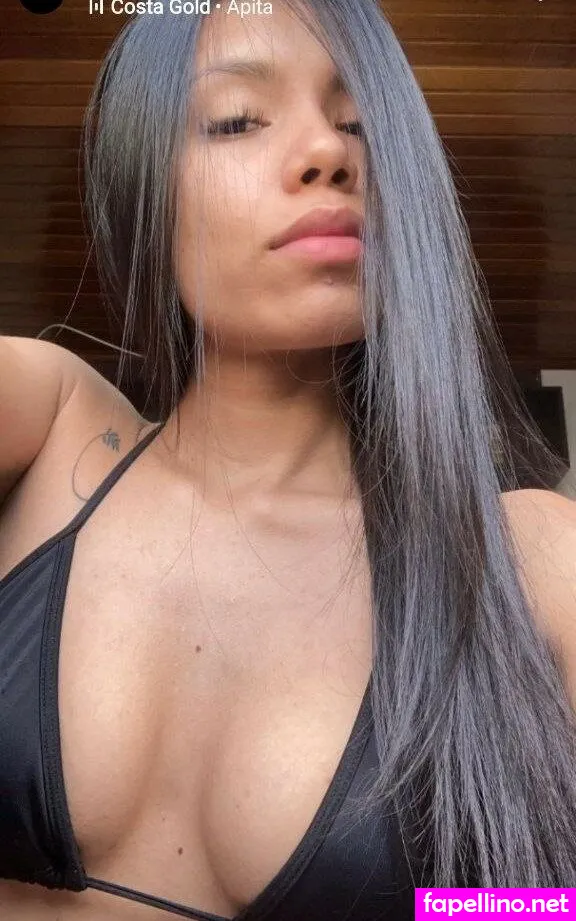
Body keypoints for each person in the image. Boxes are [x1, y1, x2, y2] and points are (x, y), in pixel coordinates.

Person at [1, 2, 575, 919]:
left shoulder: (528, 559)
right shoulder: (55, 432)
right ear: (145, 181)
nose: (328, 152)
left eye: (359, 125)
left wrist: (451, 906)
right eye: (237, 119)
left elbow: (553, 905)